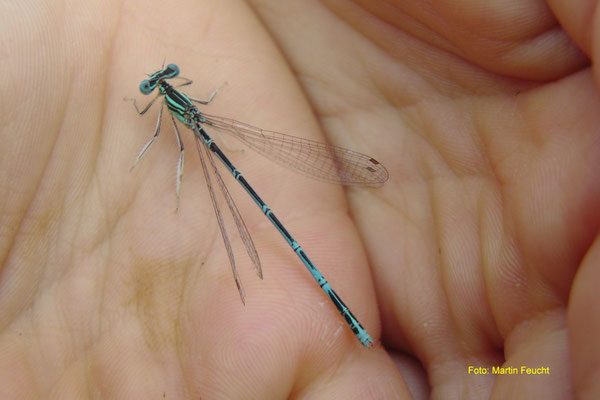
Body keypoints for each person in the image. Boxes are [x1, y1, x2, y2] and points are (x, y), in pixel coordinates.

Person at [0, 0, 597, 398]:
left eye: (161, 80)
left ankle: (349, 323)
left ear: (166, 86)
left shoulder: (172, 104)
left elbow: (167, 121)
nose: (159, 85)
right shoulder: (170, 106)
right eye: (158, 84)